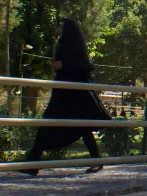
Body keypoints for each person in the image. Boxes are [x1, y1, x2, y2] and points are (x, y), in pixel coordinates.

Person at [22, 18, 111, 176]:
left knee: (80, 127)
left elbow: (82, 68)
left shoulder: (74, 47)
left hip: (73, 96)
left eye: (62, 27)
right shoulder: (62, 44)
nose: (59, 29)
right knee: (52, 124)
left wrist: (63, 65)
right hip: (62, 94)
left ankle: (34, 161)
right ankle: (33, 161)